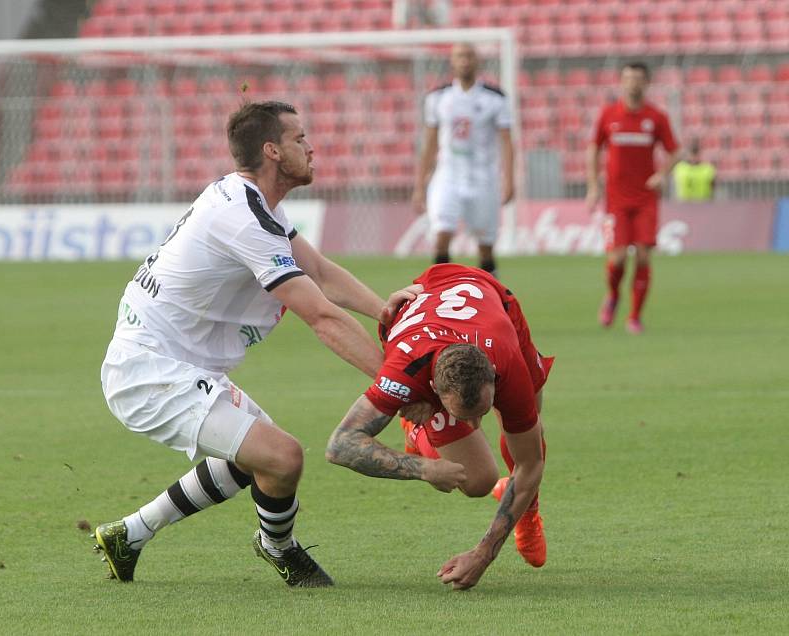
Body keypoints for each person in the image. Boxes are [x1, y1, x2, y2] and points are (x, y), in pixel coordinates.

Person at [94, 101, 416, 587]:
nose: (310, 147)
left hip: (176, 364)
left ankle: (129, 535)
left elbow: (322, 273)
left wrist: (385, 311)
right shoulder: (244, 219)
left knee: (260, 460)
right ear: (272, 150)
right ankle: (279, 548)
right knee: (281, 456)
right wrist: (400, 386)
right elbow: (321, 316)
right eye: (299, 139)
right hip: (150, 371)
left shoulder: (253, 203)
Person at [325, 263, 553, 590]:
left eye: (483, 411)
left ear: (493, 374)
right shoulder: (404, 369)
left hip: (496, 303)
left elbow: (531, 462)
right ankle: (417, 433)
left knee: (529, 430)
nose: (475, 424)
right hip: (429, 317)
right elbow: (340, 445)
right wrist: (424, 469)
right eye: (465, 417)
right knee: (478, 481)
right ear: (432, 389)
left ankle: (527, 510)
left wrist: (484, 554)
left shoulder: (506, 361)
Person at [586, 62, 681, 334]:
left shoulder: (656, 117)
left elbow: (675, 152)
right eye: (628, 78)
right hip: (616, 200)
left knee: (642, 257)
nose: (633, 84)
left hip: (645, 199)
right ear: (621, 82)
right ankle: (613, 294)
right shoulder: (608, 115)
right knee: (616, 259)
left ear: (647, 83)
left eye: (638, 79)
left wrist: (663, 173)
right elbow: (593, 149)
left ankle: (635, 316)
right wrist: (593, 186)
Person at [411, 43, 515, 276]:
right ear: (452, 62)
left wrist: (509, 179)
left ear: (477, 61)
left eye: (469, 56)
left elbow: (507, 141)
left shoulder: (494, 98)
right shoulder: (438, 97)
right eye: (459, 56)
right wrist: (420, 185)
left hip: (483, 178)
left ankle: (494, 299)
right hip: (447, 176)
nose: (464, 61)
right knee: (441, 236)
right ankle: (438, 295)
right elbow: (429, 143)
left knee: (486, 247)